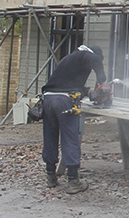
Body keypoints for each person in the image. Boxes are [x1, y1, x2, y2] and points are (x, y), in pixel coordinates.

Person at [41, 44, 106, 194]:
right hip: (64, 101)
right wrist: (102, 81)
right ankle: (73, 181)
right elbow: (95, 60)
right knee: (70, 137)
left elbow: (64, 84)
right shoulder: (84, 55)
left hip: (48, 99)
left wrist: (88, 91)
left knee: (50, 137)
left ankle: (51, 176)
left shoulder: (68, 59)